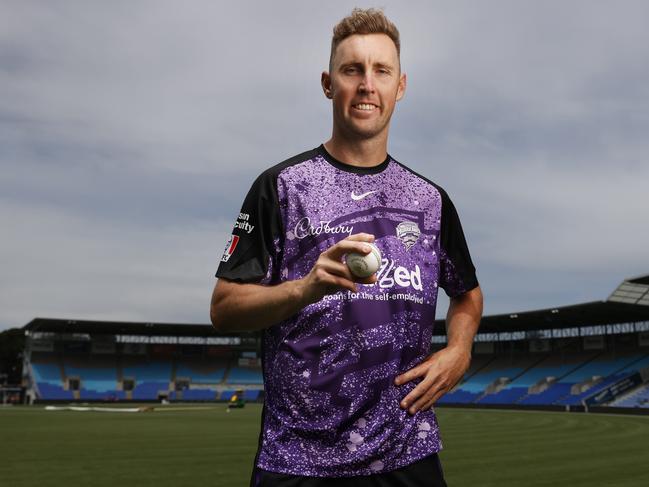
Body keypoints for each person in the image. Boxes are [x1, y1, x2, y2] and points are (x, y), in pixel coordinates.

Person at [211, 8, 483, 487]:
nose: (366, 84)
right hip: (297, 461)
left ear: (400, 87)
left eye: (381, 71)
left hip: (408, 455)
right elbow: (225, 306)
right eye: (351, 69)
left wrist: (459, 349)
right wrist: (305, 289)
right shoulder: (280, 187)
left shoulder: (431, 201)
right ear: (328, 83)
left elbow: (467, 293)